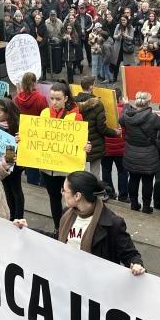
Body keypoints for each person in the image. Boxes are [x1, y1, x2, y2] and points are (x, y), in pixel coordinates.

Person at [57, 171, 146, 276]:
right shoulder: (67, 213)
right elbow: (57, 237)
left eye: (65, 190)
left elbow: (130, 255)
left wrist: (137, 265)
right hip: (68, 275)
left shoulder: (113, 224)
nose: (62, 193)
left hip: (93, 282)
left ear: (77, 196)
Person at [40, 83, 89, 233]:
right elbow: (37, 136)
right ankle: (57, 228)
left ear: (66, 98)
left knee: (71, 201)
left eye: (58, 99)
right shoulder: (44, 113)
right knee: (54, 198)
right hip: (47, 168)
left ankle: (70, 228)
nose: (54, 102)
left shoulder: (76, 116)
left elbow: (81, 142)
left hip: (66, 169)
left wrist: (86, 147)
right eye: (52, 98)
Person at [120, 92, 160, 214]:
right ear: (149, 103)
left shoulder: (126, 115)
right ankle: (146, 206)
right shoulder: (153, 118)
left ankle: (134, 204)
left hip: (131, 153)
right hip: (148, 156)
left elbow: (121, 120)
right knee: (147, 181)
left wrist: (126, 105)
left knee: (133, 179)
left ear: (135, 102)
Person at [74, 76, 117, 180]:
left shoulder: (73, 102)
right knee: (95, 174)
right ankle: (94, 194)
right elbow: (101, 128)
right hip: (95, 143)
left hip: (78, 141)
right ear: (91, 87)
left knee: (78, 173)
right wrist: (115, 132)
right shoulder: (97, 104)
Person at [13, 72, 48, 186]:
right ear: (34, 83)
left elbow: (15, 114)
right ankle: (38, 180)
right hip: (37, 132)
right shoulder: (41, 98)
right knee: (36, 155)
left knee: (27, 154)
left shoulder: (17, 98)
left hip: (23, 130)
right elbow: (45, 116)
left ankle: (31, 177)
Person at [0, 98, 25, 219]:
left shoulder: (18, 125)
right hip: (1, 161)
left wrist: (19, 141)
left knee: (16, 189)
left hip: (15, 163)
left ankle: (18, 217)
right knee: (7, 189)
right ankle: (11, 215)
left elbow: (26, 146)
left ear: (7, 113)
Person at [102, 89, 128, 203]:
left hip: (106, 148)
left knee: (106, 171)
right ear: (120, 98)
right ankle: (123, 196)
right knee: (122, 172)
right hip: (121, 149)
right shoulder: (124, 110)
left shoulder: (103, 111)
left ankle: (109, 193)